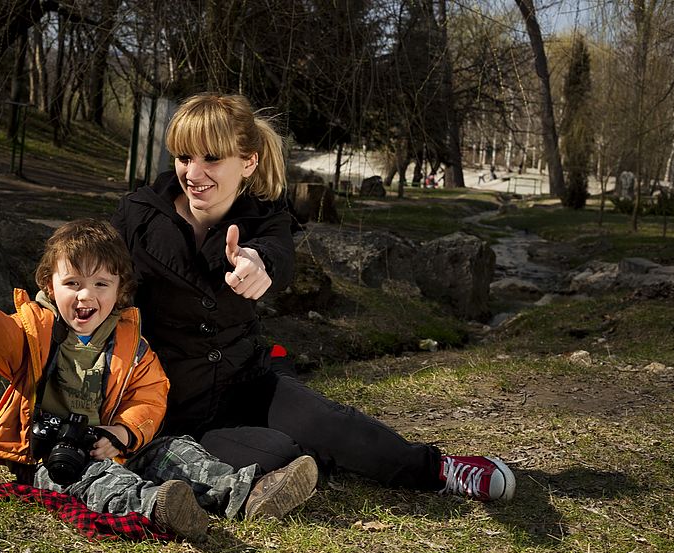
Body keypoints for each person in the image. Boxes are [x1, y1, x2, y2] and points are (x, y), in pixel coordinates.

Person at [110, 93, 515, 502]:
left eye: (211, 158)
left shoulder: (265, 216)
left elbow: (278, 256)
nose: (193, 173)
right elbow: (96, 275)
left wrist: (258, 263)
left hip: (242, 381)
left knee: (328, 423)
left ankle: (439, 469)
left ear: (247, 162)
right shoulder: (138, 214)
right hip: (162, 400)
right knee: (282, 456)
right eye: (183, 157)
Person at [0, 219, 318, 541]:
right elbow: (0, 337)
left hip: (116, 443)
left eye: (100, 284)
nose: (85, 295)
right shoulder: (34, 330)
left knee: (176, 450)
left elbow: (151, 395)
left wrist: (123, 433)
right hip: (53, 459)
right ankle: (161, 508)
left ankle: (247, 493)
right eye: (72, 282)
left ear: (119, 289)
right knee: (102, 483)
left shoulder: (130, 341)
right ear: (49, 283)